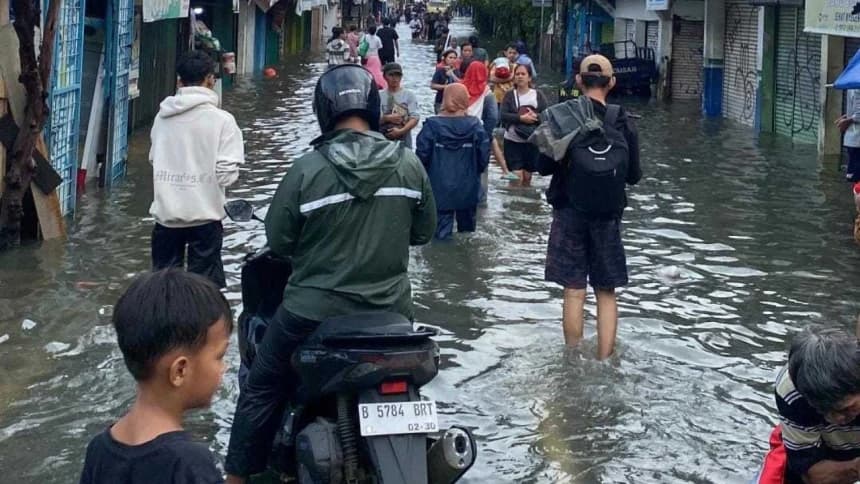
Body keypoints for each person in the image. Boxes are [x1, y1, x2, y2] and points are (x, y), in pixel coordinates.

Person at [224, 65, 436, 483]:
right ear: (374, 107)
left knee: (263, 384)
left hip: (311, 311)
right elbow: (423, 232)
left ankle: (235, 476)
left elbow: (280, 243)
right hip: (393, 315)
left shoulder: (307, 169)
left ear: (323, 110)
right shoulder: (409, 166)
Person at [78, 269, 232, 484]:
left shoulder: (99, 448)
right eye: (219, 356)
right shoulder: (190, 465)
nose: (225, 367)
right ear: (179, 371)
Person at [536, 54, 641, 359]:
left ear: (579, 81)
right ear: (612, 83)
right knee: (606, 291)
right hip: (608, 216)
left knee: (573, 289)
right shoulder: (625, 121)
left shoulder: (561, 116)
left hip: (569, 212)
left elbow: (542, 166)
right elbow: (634, 176)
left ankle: (573, 359)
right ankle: (605, 359)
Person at [148, 50, 244, 289]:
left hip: (166, 219)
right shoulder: (223, 121)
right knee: (204, 291)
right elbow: (227, 174)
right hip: (205, 220)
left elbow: (154, 159)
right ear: (211, 80)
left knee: (164, 289)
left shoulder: (162, 118)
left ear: (179, 81)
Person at [772, 328, 860, 484]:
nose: (836, 418)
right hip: (820, 448)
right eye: (823, 410)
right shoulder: (791, 393)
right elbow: (812, 474)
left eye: (846, 408)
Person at [416, 84, 489, 240]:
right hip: (468, 187)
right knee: (468, 235)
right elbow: (483, 157)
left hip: (439, 189)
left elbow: (421, 157)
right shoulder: (475, 126)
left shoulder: (431, 126)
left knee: (440, 237)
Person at [500, 64, 547, 186]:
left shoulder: (538, 95)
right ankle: (514, 202)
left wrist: (536, 117)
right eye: (517, 74)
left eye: (523, 74)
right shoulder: (509, 95)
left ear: (529, 78)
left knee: (527, 177)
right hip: (512, 141)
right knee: (517, 177)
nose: (520, 77)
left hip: (531, 141)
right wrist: (521, 118)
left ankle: (524, 203)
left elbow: (547, 116)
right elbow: (503, 115)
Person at [380, 62, 420, 149]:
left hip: (404, 141)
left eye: (398, 75)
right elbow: (372, 119)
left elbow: (415, 117)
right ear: (384, 76)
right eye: (391, 75)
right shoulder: (379, 96)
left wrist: (401, 131)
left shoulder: (409, 95)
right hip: (382, 141)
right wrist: (386, 118)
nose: (395, 78)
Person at [838, 89, 860, 183]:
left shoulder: (854, 86)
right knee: (854, 178)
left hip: (855, 140)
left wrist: (847, 120)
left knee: (855, 178)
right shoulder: (854, 87)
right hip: (854, 139)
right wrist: (847, 118)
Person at [431, 48, 460, 114]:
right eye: (450, 57)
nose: (452, 60)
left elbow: (461, 84)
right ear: (445, 58)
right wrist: (446, 86)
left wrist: (452, 75)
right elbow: (433, 85)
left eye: (454, 58)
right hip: (440, 101)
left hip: (454, 102)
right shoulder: (440, 71)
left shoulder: (457, 71)